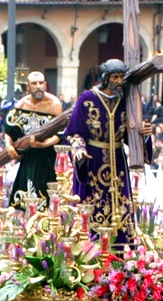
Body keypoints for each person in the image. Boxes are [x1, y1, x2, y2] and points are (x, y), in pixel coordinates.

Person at [64, 59, 153, 230]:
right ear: (105, 78)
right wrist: (79, 150)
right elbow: (74, 131)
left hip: (118, 162)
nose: (119, 82)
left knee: (120, 207)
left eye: (121, 77)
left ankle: (120, 248)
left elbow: (132, 134)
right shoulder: (87, 98)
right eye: (115, 77)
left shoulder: (128, 100)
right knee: (91, 205)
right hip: (93, 160)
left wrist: (145, 135)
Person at [3, 72, 63, 206]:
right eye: (34, 84)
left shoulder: (54, 104)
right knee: (23, 196)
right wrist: (8, 145)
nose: (38, 86)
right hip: (28, 156)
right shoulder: (22, 104)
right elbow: (9, 128)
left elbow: (60, 133)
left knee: (48, 199)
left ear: (45, 85)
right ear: (28, 87)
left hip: (48, 157)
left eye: (41, 83)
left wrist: (44, 144)